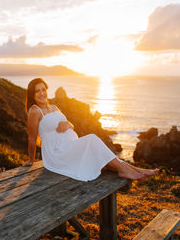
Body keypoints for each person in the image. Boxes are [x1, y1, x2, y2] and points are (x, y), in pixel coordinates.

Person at [23, 78, 159, 182]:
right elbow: (32, 138)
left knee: (100, 152)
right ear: (32, 94)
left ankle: (137, 170)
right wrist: (31, 160)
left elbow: (70, 125)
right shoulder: (35, 111)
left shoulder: (54, 107)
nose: (41, 93)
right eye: (37, 91)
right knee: (93, 139)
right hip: (58, 154)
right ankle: (126, 170)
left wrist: (68, 124)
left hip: (71, 147)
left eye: (43, 89)